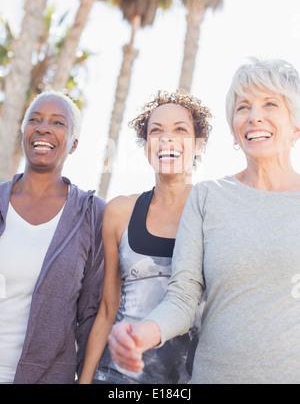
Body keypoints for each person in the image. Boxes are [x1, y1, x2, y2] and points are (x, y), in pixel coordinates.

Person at [108, 57, 300, 384]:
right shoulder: (208, 197)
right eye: (243, 107)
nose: (255, 117)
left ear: (295, 124)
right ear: (234, 130)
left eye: (270, 104)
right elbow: (183, 299)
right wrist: (143, 333)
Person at [78, 90, 212, 384]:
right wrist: (84, 380)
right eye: (156, 130)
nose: (167, 138)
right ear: (146, 146)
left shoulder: (216, 213)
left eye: (180, 129)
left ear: (199, 145)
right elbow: (107, 310)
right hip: (118, 377)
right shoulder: (120, 211)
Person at [0, 90, 105, 384]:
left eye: (58, 123)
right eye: (34, 120)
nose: (43, 127)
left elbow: (93, 314)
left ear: (73, 144)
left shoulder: (91, 215)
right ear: (24, 133)